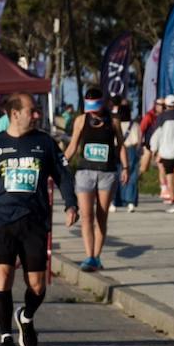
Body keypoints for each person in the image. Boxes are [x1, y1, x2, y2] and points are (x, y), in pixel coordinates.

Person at [0, 92, 78, 346]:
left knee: (37, 285)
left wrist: (71, 204)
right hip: (2, 221)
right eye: (33, 110)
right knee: (2, 278)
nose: (38, 115)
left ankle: (25, 316)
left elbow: (63, 175)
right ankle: (6, 339)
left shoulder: (45, 143)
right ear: (15, 114)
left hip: (35, 222)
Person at [63, 87, 128, 271]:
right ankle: (89, 255)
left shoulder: (113, 120)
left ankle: (96, 257)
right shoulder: (81, 120)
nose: (93, 111)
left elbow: (120, 145)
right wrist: (59, 164)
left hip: (107, 173)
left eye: (96, 105)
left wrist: (126, 167)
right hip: (85, 172)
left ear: (103, 102)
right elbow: (73, 145)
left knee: (101, 215)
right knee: (86, 216)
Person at [117, 98, 141, 211]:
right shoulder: (134, 125)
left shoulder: (115, 125)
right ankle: (130, 201)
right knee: (131, 176)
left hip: (117, 150)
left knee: (118, 175)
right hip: (131, 150)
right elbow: (138, 141)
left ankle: (116, 201)